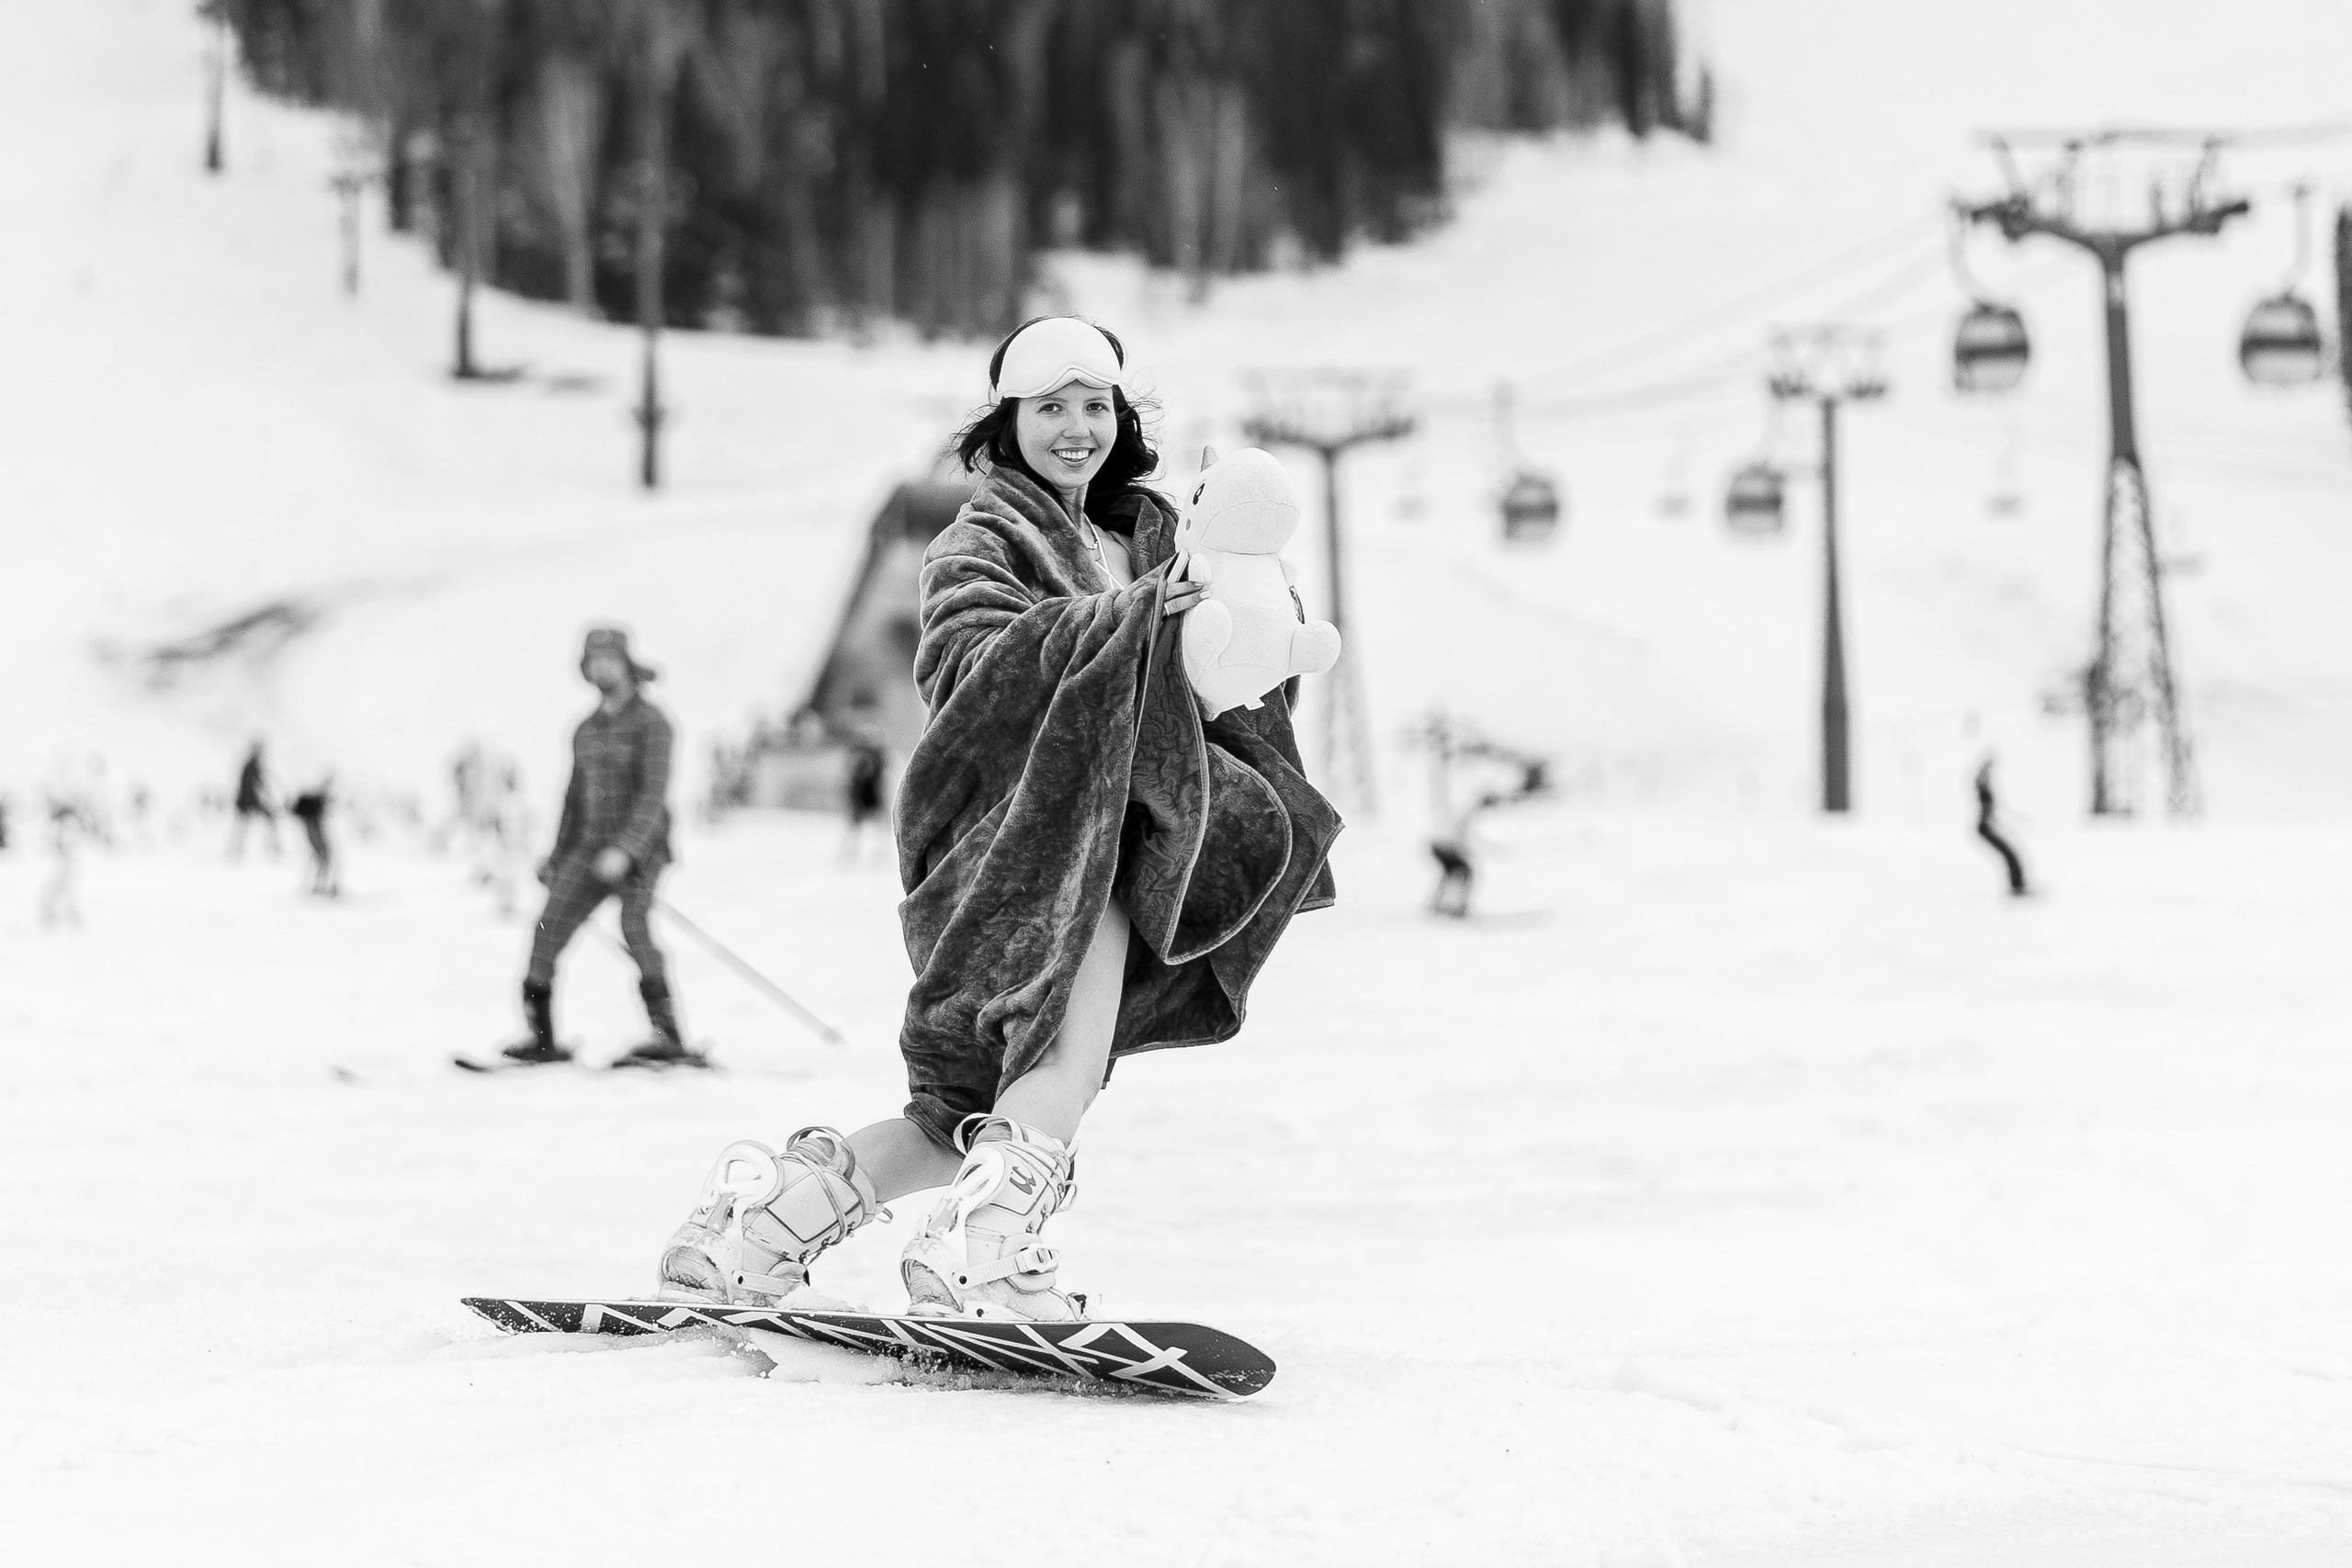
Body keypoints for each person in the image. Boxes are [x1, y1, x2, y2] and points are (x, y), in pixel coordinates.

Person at [649, 316, 1339, 1322]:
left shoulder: (1158, 530)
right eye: (1049, 407)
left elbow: (1227, 677)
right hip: (1038, 842)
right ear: (1005, 420)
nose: (1075, 429)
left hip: (1125, 832)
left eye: (1093, 406)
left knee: (956, 1111)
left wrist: (1240, 616)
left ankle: (756, 1234)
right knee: (1062, 1064)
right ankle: (983, 1253)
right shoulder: (980, 541)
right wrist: (1135, 614)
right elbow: (969, 674)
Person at [495, 626, 695, 1069]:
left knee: (635, 927)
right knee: (546, 930)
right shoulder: (584, 729)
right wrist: (557, 854)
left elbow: (654, 794)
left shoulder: (653, 723)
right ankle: (541, 1038)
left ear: (626, 664)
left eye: (609, 658)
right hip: (585, 850)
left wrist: (626, 849)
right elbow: (574, 798)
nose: (601, 667)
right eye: (592, 660)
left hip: (640, 853)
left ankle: (669, 1037)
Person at [1973, 755, 2030, 898]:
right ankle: (2017, 887)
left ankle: (2018, 885)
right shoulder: (1982, 785)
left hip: (1988, 826)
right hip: (1985, 827)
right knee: (2010, 855)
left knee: (2012, 855)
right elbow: (1986, 808)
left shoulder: (1986, 787)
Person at [841, 726, 887, 863]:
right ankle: (850, 854)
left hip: (868, 792)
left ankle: (877, 855)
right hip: (863, 793)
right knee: (856, 826)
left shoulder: (874, 754)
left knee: (873, 825)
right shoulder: (864, 753)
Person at [288, 775, 340, 897]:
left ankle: (319, 886)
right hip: (316, 834)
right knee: (324, 858)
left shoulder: (315, 799)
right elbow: (316, 821)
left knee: (321, 858)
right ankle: (321, 886)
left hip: (314, 833)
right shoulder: (317, 800)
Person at [229, 740, 278, 859]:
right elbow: (256, 784)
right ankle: (271, 848)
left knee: (243, 826)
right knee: (246, 825)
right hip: (248, 801)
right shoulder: (252, 765)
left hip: (247, 800)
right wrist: (266, 794)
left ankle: (236, 850)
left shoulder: (252, 764)